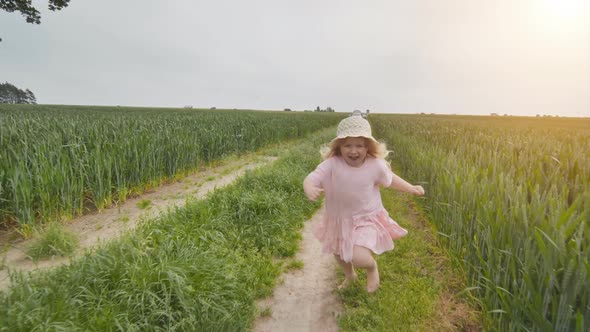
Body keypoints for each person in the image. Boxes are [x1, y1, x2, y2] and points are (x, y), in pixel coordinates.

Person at [303, 115, 425, 292]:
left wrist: (411, 188)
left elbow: (390, 180)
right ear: (339, 147)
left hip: (366, 218)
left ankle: (371, 268)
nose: (353, 151)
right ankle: (350, 275)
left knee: (357, 255)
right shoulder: (332, 164)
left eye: (359, 145)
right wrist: (309, 187)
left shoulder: (375, 165)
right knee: (339, 253)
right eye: (348, 145)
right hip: (338, 219)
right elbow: (312, 177)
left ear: (368, 146)